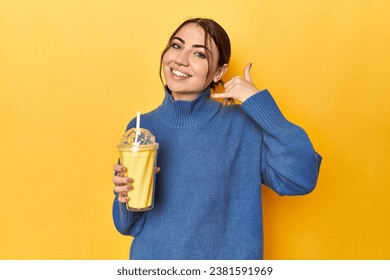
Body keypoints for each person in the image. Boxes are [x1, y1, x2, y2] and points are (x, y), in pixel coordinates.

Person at [112, 18, 322, 260]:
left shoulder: (243, 125)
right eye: (177, 46)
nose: (181, 60)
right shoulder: (142, 128)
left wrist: (260, 104)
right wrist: (124, 196)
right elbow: (127, 226)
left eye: (199, 54)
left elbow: (301, 178)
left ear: (219, 72)